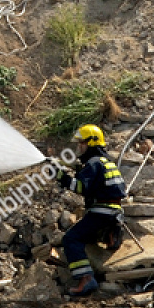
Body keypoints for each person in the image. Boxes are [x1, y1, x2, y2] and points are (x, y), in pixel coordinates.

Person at [55, 125, 127, 296]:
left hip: (100, 211)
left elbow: (80, 187)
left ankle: (85, 279)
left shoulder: (93, 164)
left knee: (71, 239)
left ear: (92, 143)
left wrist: (59, 176)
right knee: (90, 234)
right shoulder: (106, 162)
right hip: (115, 212)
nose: (79, 147)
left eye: (81, 143)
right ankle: (110, 234)